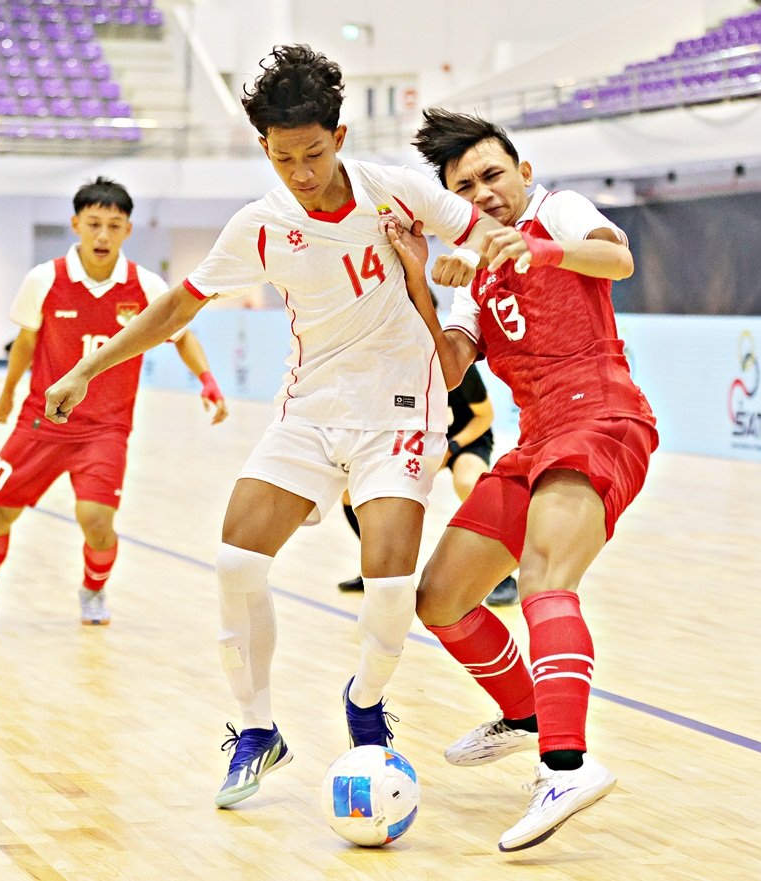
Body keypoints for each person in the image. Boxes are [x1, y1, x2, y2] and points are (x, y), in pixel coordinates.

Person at [41, 46, 504, 808]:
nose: (301, 173)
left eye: (314, 154)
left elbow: (484, 238)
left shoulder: (395, 193)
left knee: (389, 589)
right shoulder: (259, 225)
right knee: (234, 562)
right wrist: (86, 368)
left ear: (341, 137)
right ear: (264, 148)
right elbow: (174, 310)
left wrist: (462, 286)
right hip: (311, 412)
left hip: (400, 414)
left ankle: (364, 701)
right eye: (283, 158)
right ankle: (258, 730)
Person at [402, 108, 658, 852]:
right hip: (535, 438)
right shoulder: (471, 270)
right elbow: (450, 365)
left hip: (603, 417)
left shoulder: (560, 211)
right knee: (441, 596)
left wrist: (540, 250)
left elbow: (618, 261)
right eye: (464, 186)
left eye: (492, 175)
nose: (482, 193)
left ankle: (568, 763)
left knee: (546, 578)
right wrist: (421, 281)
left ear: (523, 173)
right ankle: (525, 712)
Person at [0, 177, 229, 626]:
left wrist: (207, 380)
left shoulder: (145, 286)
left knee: (96, 519)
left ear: (128, 231)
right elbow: (24, 343)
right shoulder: (45, 279)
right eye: (94, 223)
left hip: (105, 427)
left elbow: (181, 336)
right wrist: (8, 392)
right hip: (43, 422)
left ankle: (93, 592)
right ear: (76, 224)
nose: (102, 235)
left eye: (114, 226)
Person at [338, 321, 518, 606]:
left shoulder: (450, 360)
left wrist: (453, 446)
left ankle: (501, 577)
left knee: (470, 483)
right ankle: (376, 565)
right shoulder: (388, 363)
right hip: (416, 441)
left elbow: (484, 416)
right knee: (350, 491)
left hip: (463, 440)